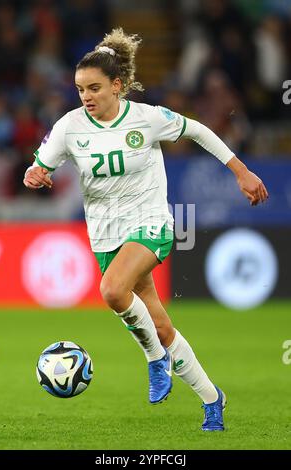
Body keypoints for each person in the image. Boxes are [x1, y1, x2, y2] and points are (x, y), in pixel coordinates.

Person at [23, 28, 268, 432]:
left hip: (150, 223)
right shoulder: (69, 126)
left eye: (95, 88)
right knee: (161, 325)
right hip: (106, 234)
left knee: (112, 290)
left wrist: (240, 172)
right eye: (80, 88)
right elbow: (41, 163)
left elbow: (198, 131)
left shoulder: (147, 118)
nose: (86, 96)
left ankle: (155, 360)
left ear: (117, 86)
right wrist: (37, 174)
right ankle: (212, 400)